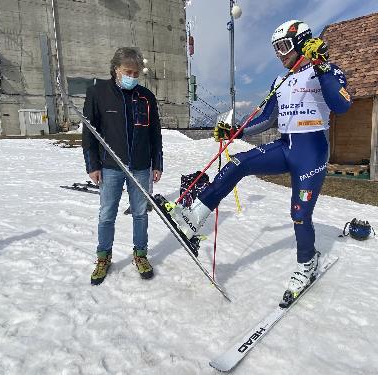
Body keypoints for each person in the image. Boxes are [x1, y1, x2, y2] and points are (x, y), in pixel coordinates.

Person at [169, 20, 351, 304]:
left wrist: (323, 65)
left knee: (300, 214)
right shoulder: (280, 81)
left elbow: (342, 105)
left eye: (284, 47)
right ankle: (195, 216)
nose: (279, 54)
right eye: (276, 49)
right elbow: (266, 118)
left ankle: (307, 262)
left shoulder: (325, 70)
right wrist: (233, 131)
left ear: (302, 42)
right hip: (286, 146)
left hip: (311, 152)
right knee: (238, 164)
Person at [82, 47, 163, 285]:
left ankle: (140, 254)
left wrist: (156, 163)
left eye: (136, 73)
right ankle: (103, 257)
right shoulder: (98, 93)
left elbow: (155, 133)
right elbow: (90, 133)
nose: (133, 77)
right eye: (128, 72)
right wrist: (92, 165)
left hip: (140, 165)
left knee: (140, 213)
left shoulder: (146, 97)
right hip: (110, 166)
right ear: (116, 69)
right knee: (107, 214)